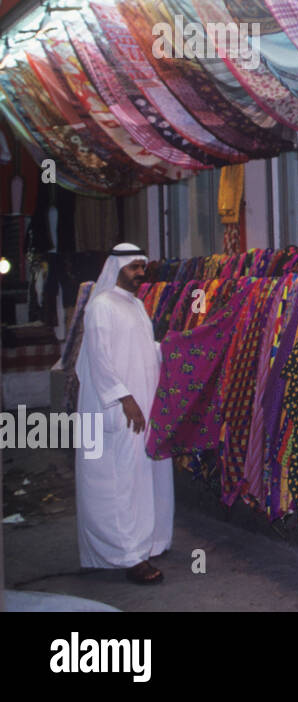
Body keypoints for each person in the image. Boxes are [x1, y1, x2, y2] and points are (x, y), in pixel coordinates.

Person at [75, 243, 174, 584]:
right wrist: (124, 398)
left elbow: (144, 351)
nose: (140, 273)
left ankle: (148, 542)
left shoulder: (134, 305)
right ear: (116, 267)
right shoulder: (101, 306)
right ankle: (126, 555)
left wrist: (174, 348)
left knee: (141, 478)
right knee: (118, 482)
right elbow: (98, 358)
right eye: (133, 267)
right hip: (118, 408)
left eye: (142, 267)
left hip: (142, 404)